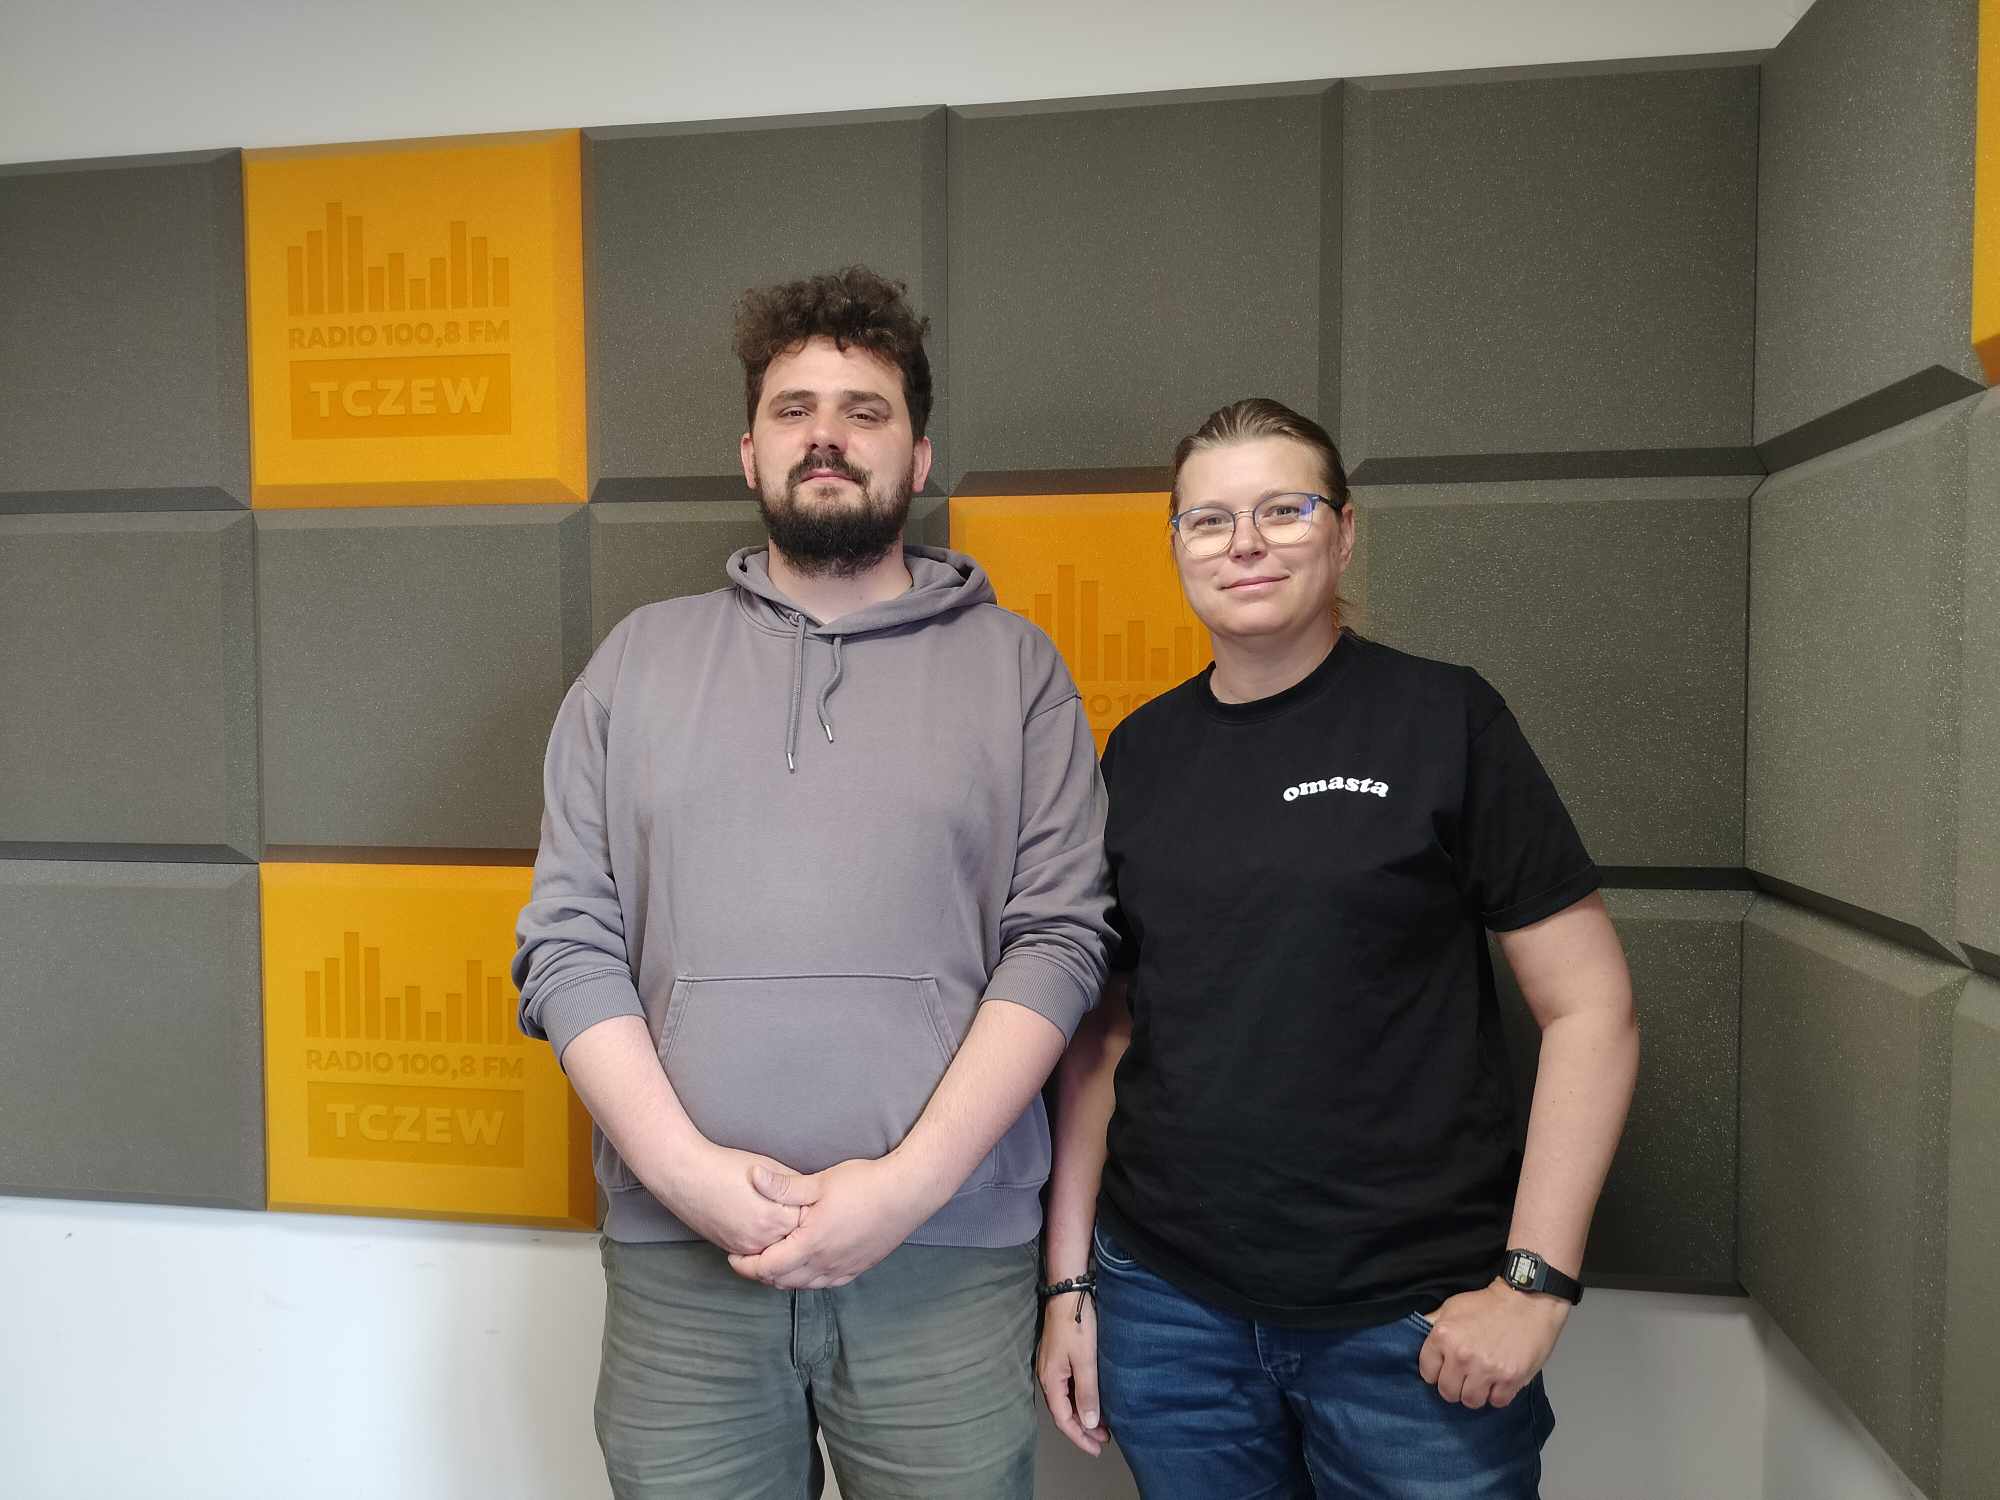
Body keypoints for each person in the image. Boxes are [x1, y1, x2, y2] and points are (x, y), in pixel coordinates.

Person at [514, 265, 1113, 1500]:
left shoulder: (1017, 671)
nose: (826, 435)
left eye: (863, 409)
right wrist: (686, 1176)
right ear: (750, 452)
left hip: (946, 1266)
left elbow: (1058, 944)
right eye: (793, 409)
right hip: (683, 1274)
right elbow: (568, 944)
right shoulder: (635, 664)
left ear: (917, 454)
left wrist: (904, 1191)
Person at [1035, 398, 1638, 1499]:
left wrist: (1534, 1285)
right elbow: (1108, 1032)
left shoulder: (1444, 719)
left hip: (1409, 1326)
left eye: (1284, 509)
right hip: (1167, 1309)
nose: (1245, 543)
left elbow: (1589, 1008)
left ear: (1345, 530)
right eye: (1209, 520)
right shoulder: (1140, 751)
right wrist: (1069, 1282)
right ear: (1176, 546)